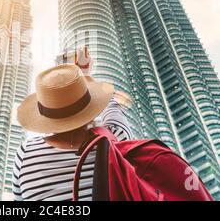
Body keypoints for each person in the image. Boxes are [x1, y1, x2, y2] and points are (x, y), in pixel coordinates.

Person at [13, 60, 134, 201]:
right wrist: (85, 76)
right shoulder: (114, 139)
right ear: (90, 108)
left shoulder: (26, 153)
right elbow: (112, 104)